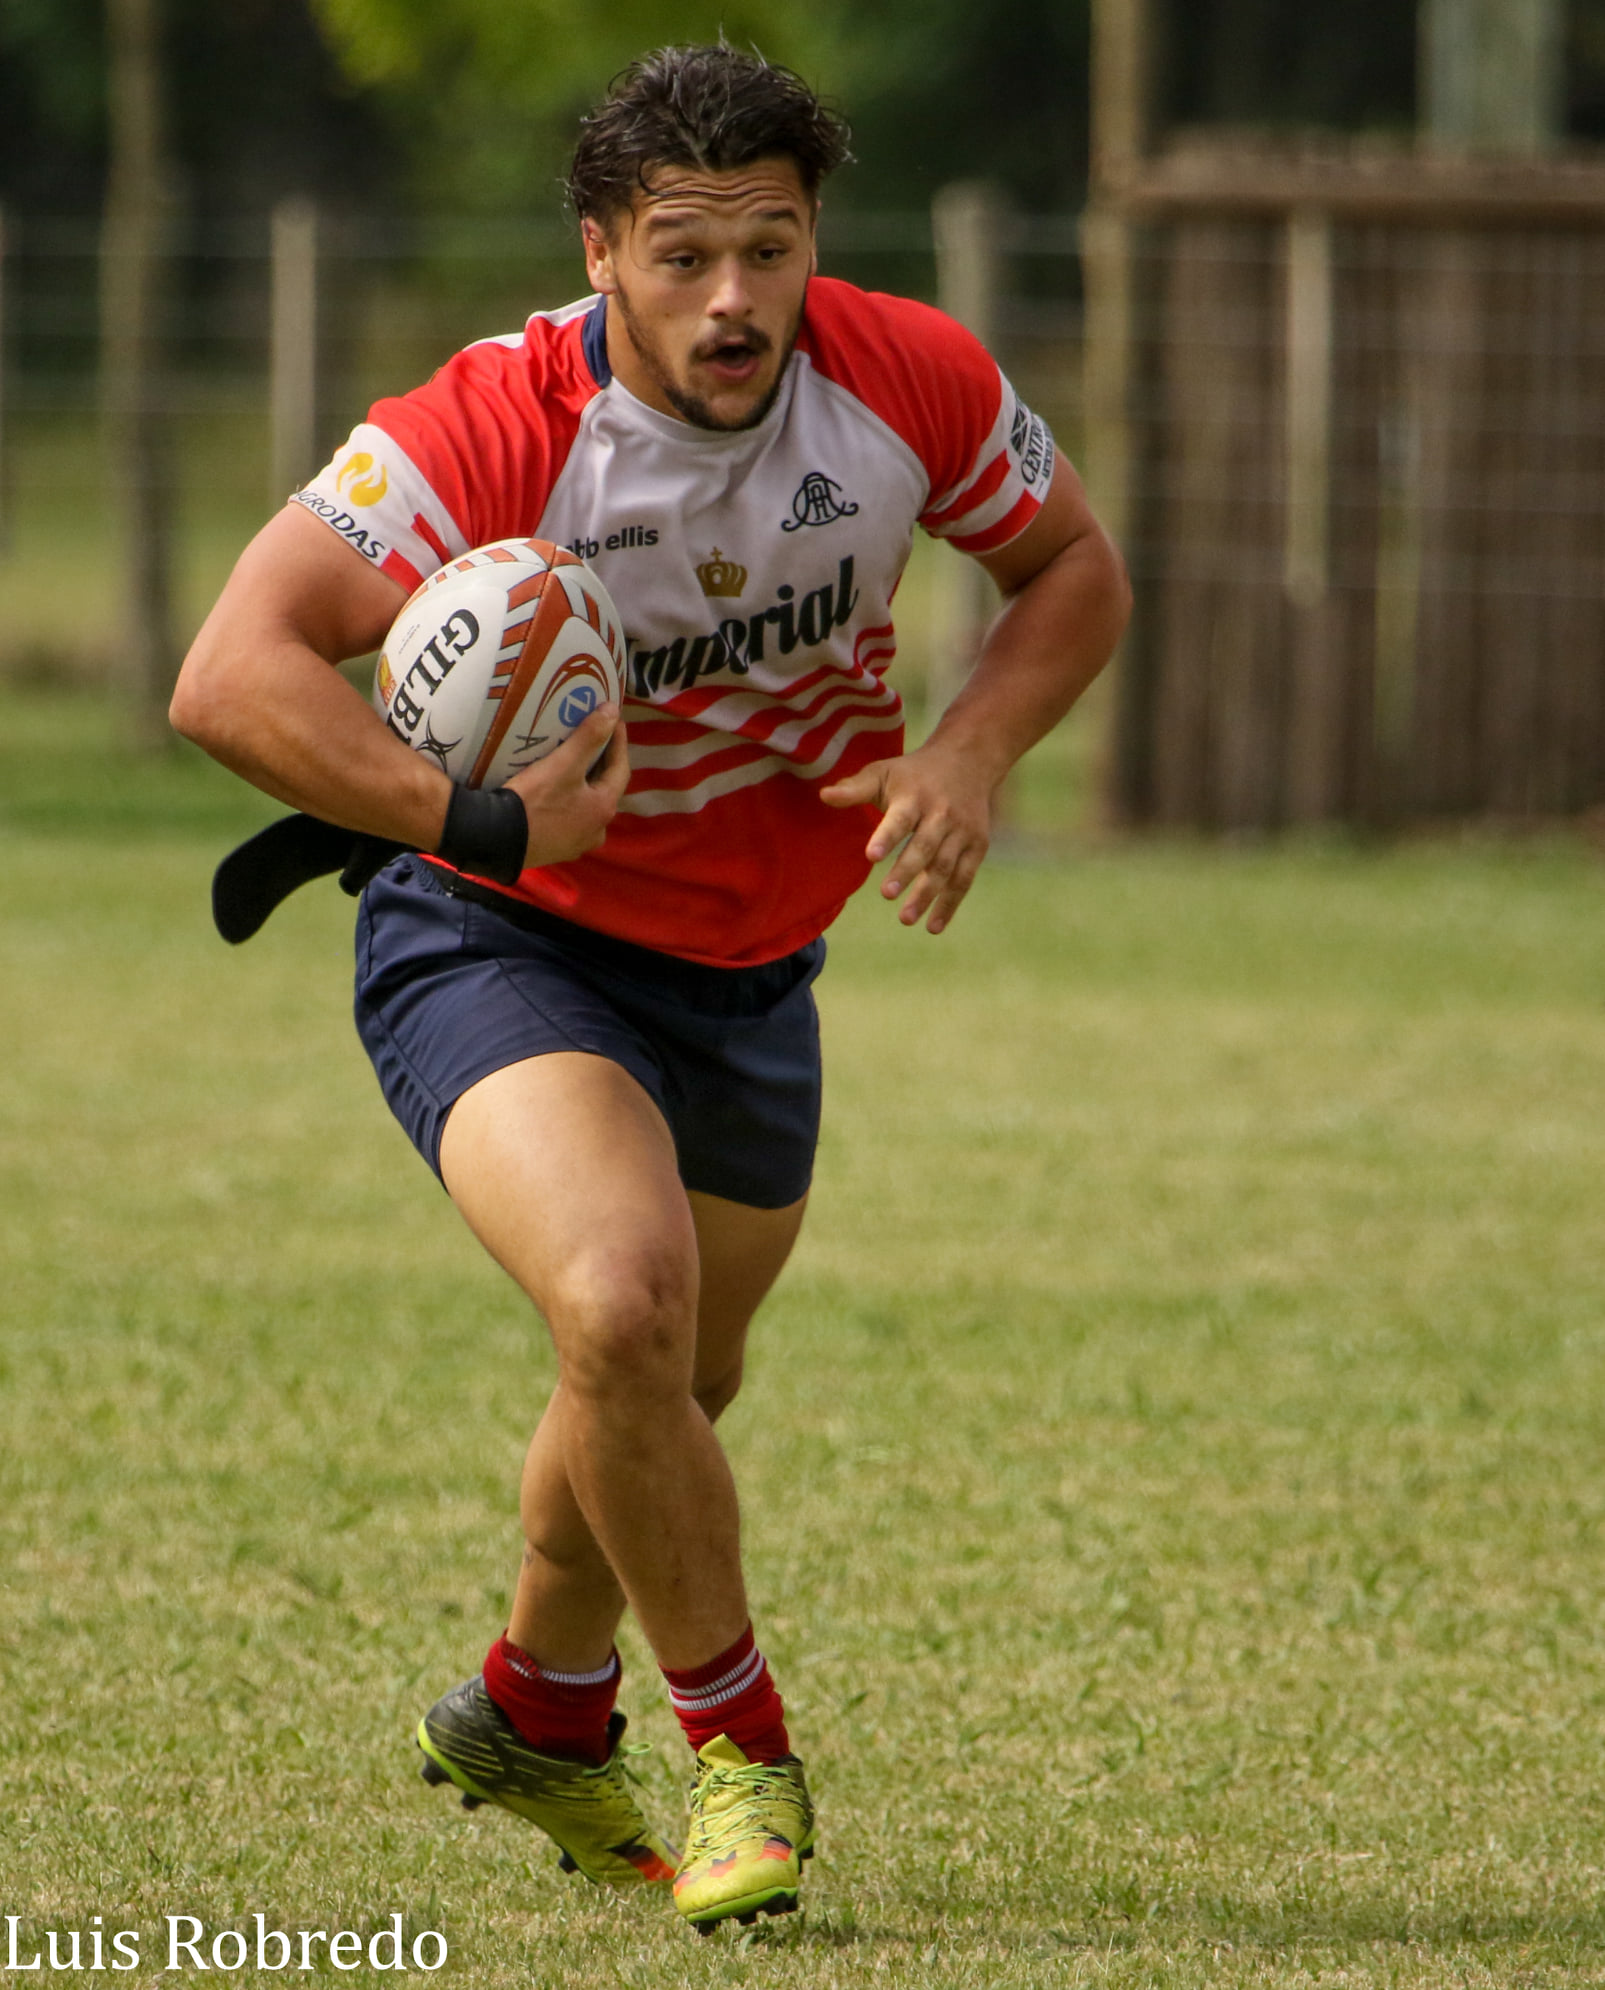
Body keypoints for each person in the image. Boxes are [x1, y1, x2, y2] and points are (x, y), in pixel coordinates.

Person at [171, 42, 1130, 1935]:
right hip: (499, 935)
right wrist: (466, 817)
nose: (731, 300)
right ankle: (738, 1748)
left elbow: (1070, 566)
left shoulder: (906, 379)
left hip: (756, 965)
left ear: (811, 245)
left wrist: (966, 755)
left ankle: (533, 1704)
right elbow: (232, 673)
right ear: (600, 251)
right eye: (683, 255)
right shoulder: (489, 424)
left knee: (676, 1376)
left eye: (767, 249)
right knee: (620, 1304)